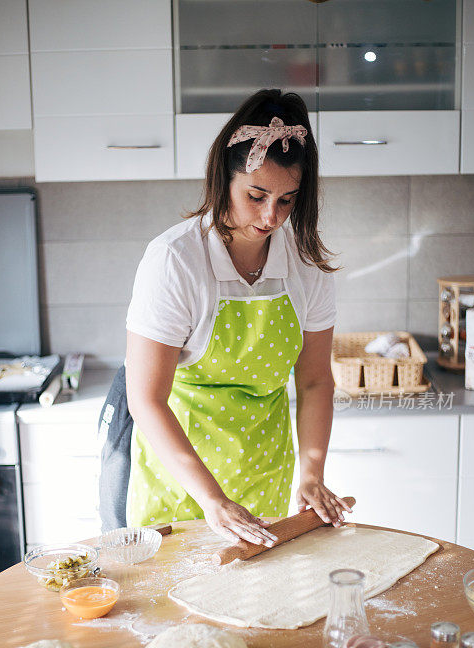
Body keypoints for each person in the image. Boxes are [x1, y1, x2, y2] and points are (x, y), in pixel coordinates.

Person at [98, 88, 352, 548]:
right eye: (256, 195)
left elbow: (314, 382)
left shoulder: (306, 267)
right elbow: (147, 399)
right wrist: (213, 500)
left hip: (263, 465)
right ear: (224, 178)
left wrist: (311, 473)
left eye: (287, 200)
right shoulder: (175, 261)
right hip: (181, 478)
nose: (271, 216)